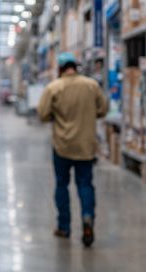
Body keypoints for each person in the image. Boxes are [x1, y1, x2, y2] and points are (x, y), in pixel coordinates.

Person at [36, 51, 108, 247]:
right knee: (85, 184)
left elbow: (42, 114)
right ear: (75, 66)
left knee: (62, 185)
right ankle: (87, 218)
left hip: (62, 145)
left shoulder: (54, 88)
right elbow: (103, 109)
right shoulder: (92, 85)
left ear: (60, 68)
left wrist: (56, 117)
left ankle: (64, 227)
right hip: (86, 145)